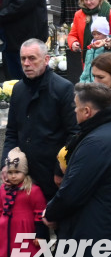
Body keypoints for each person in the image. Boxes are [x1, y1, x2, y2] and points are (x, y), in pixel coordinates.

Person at [42, 82, 111, 257]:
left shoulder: (96, 142)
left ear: (87, 111)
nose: (74, 110)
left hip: (91, 238)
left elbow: (73, 191)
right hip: (106, 232)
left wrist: (51, 212)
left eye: (76, 106)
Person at [4, 39, 77, 208]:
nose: (26, 63)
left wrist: (60, 170)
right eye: (23, 59)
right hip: (24, 175)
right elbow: (12, 132)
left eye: (32, 58)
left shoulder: (63, 88)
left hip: (52, 174)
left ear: (46, 59)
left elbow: (74, 134)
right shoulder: (19, 89)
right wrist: (6, 165)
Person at [0, 147, 48, 257]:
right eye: (10, 172)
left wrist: (39, 235)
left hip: (22, 234)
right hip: (5, 233)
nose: (13, 176)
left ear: (25, 172)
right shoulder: (3, 189)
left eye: (17, 172)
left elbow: (40, 213)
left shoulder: (32, 190)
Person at [0, 0, 47, 79]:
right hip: (10, 40)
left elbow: (17, 8)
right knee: (11, 78)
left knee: (25, 78)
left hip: (25, 40)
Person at [68, 0, 111, 69]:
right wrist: (73, 43)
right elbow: (72, 35)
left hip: (108, 60)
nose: (88, 2)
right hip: (87, 60)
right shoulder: (79, 14)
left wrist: (104, 43)